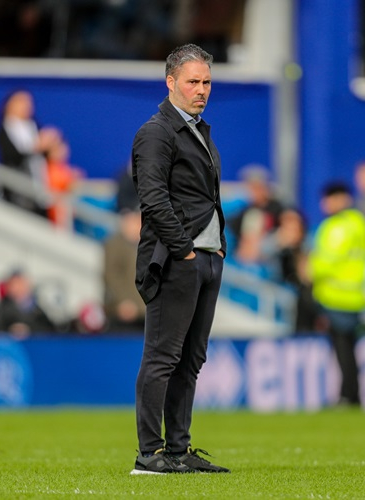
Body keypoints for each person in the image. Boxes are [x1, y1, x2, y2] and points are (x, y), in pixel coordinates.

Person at [131, 43, 228, 475]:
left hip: (206, 257)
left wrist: (215, 247)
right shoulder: (156, 132)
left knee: (190, 360)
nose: (201, 89)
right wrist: (184, 251)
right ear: (170, 82)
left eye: (206, 82)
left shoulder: (196, 129)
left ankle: (178, 449)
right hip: (177, 259)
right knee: (163, 357)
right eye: (193, 81)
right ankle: (149, 452)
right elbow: (153, 199)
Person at [308, 182, 365, 406]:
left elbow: (328, 259)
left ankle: (348, 396)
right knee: (349, 350)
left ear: (342, 199)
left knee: (343, 351)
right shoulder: (359, 222)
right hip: (354, 296)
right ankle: (352, 395)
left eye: (328, 198)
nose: (324, 204)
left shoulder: (338, 226)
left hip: (336, 297)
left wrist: (310, 269)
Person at [0, 90, 60, 215]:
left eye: (29, 102)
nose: (26, 105)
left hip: (39, 188)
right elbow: (11, 157)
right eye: (21, 101)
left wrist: (53, 145)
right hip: (17, 192)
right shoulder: (3, 130)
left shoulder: (34, 126)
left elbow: (44, 155)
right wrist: (36, 147)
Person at [229, 164, 284, 265]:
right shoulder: (244, 210)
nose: (254, 192)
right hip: (245, 260)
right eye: (251, 188)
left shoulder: (278, 209)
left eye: (258, 187)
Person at [103, 209, 146, 332]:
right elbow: (110, 276)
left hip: (144, 311)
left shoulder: (147, 244)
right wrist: (122, 301)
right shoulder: (114, 244)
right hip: (124, 311)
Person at [0, 269, 58, 337]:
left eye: (21, 284)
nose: (18, 288)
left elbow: (50, 332)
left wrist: (30, 330)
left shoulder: (39, 310)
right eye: (14, 284)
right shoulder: (1, 310)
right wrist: (9, 331)